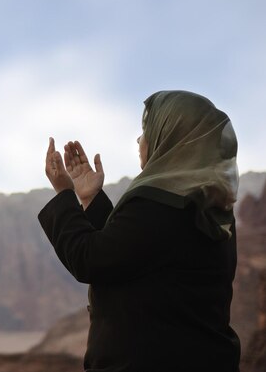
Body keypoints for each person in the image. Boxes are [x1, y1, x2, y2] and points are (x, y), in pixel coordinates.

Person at [38, 90, 241, 372]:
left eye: (147, 130)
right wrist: (91, 199)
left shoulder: (162, 204)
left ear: (169, 136)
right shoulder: (205, 205)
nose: (139, 139)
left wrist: (64, 194)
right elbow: (132, 250)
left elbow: (90, 260)